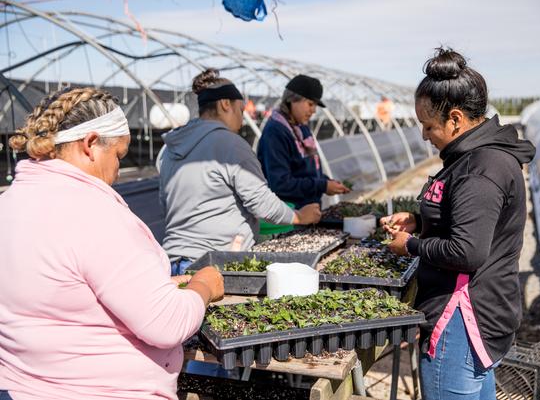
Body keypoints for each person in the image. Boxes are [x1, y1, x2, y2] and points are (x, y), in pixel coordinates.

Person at [0, 87, 224, 400]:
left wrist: (154, 285)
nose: (118, 170)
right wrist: (204, 285)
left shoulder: (9, 204)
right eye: (118, 155)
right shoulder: (91, 212)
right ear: (90, 144)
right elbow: (167, 323)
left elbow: (60, 291)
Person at [381, 48, 535, 400]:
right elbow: (470, 219)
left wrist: (410, 245)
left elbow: (466, 251)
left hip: (463, 320)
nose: (423, 135)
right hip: (477, 316)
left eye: (428, 125)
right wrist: (420, 220)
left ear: (455, 119)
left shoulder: (481, 168)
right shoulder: (474, 157)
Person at [158, 69, 321, 274]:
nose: (242, 120)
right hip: (213, 264)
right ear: (226, 104)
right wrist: (299, 216)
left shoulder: (169, 148)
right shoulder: (230, 145)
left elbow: (165, 203)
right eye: (241, 110)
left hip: (172, 262)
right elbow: (261, 203)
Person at [257, 74, 350, 209]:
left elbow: (306, 171)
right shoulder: (276, 132)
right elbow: (280, 184)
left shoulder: (301, 127)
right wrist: (322, 186)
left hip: (309, 211)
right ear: (292, 100)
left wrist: (326, 182)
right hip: (290, 216)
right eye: (310, 104)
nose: (313, 110)